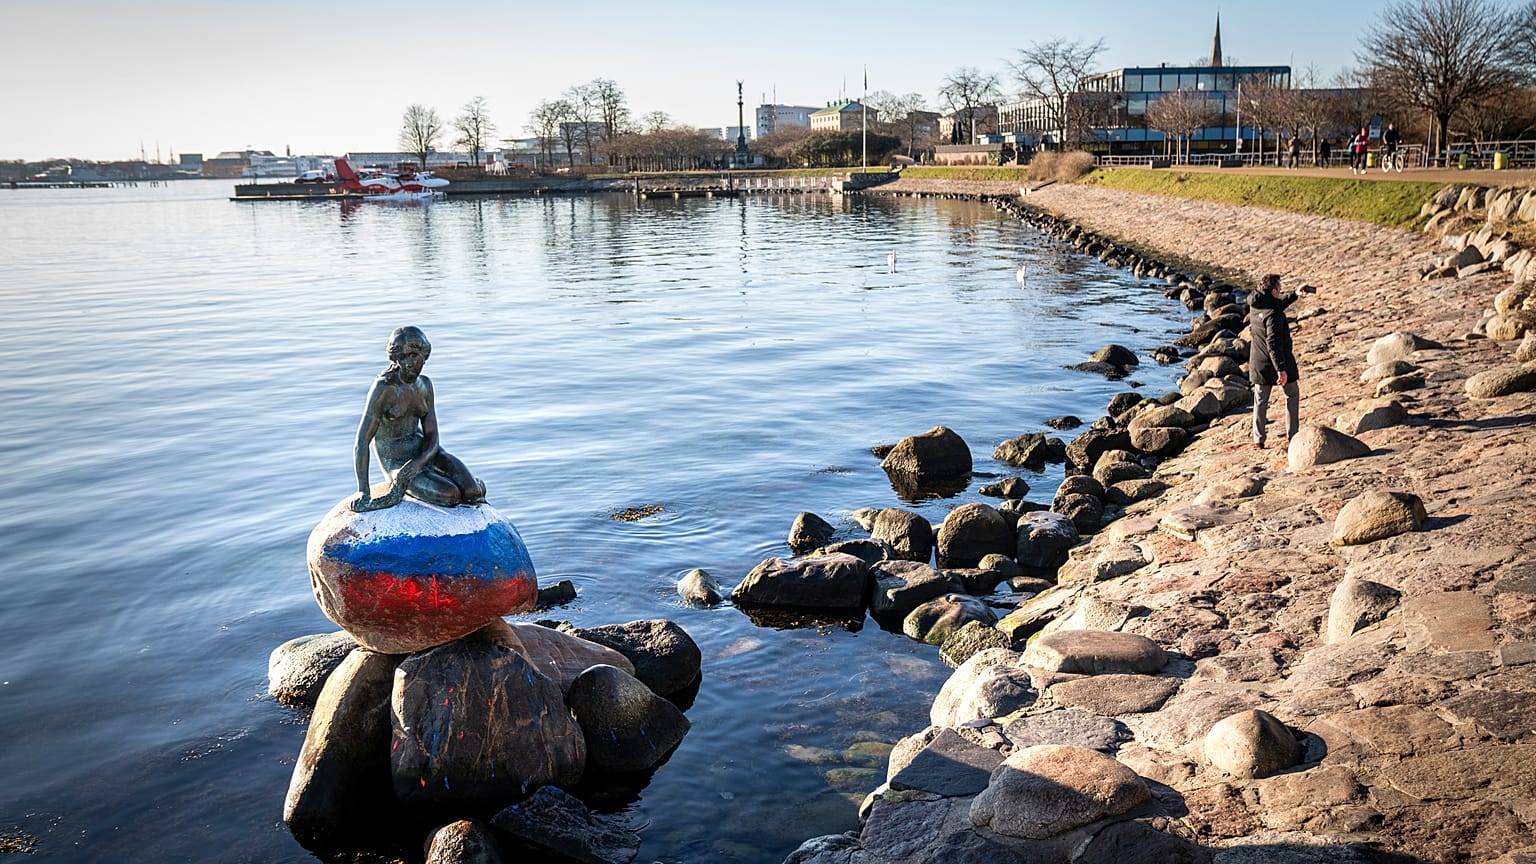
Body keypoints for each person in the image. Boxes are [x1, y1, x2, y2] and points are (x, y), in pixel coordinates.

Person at [350, 326, 487, 512]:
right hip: (397, 461)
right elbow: (362, 441)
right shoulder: (384, 389)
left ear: (424, 355)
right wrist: (363, 491)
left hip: (426, 452)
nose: (408, 362)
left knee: (473, 492)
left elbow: (432, 436)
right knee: (450, 495)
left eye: (413, 355)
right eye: (402, 356)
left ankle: (460, 482)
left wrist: (419, 462)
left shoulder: (425, 385)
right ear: (395, 358)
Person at [1248, 274, 1300, 449]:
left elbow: (1276, 306)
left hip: (1258, 362)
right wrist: (1281, 369)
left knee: (1260, 400)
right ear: (1273, 290)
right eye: (1280, 288)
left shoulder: (1256, 305)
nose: (1281, 290)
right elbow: (1273, 343)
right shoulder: (1273, 314)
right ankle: (1293, 436)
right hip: (1278, 360)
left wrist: (1295, 294)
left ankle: (1258, 439)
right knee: (1292, 394)